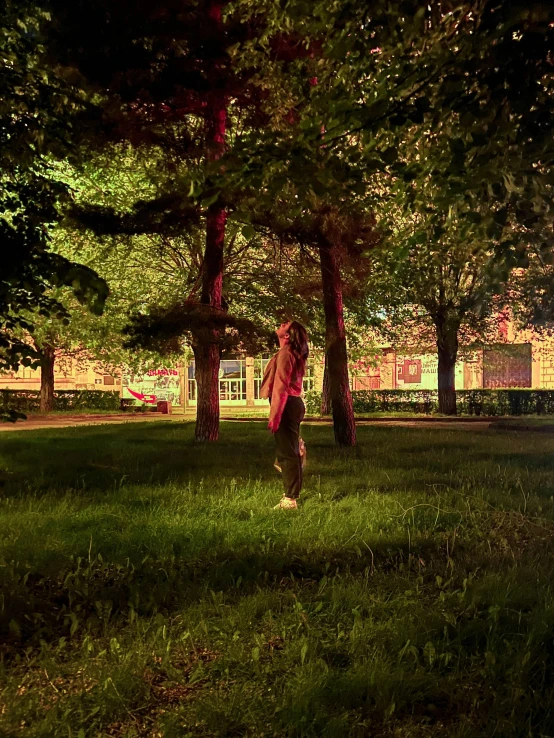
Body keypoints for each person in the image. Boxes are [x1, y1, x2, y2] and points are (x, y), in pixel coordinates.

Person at [260, 320, 309, 510]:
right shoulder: (290, 353)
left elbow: (280, 387)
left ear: (287, 335)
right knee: (290, 451)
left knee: (287, 453)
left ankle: (290, 500)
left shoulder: (286, 354)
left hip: (286, 404)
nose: (279, 324)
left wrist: (274, 415)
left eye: (283, 325)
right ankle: (290, 494)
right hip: (291, 404)